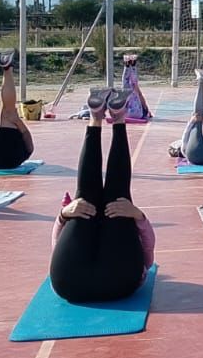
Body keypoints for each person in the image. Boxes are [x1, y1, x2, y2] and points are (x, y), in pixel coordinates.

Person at [50, 87, 154, 303]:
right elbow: (147, 248)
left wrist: (64, 214)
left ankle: (107, 117)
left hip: (70, 283)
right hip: (117, 283)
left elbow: (57, 244)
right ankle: (105, 117)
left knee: (94, 200)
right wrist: (138, 216)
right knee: (114, 201)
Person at [118, 53, 152, 121]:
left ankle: (128, 65)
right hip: (138, 114)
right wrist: (147, 110)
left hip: (127, 113)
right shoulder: (135, 90)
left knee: (126, 82)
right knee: (132, 83)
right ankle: (131, 64)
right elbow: (141, 97)